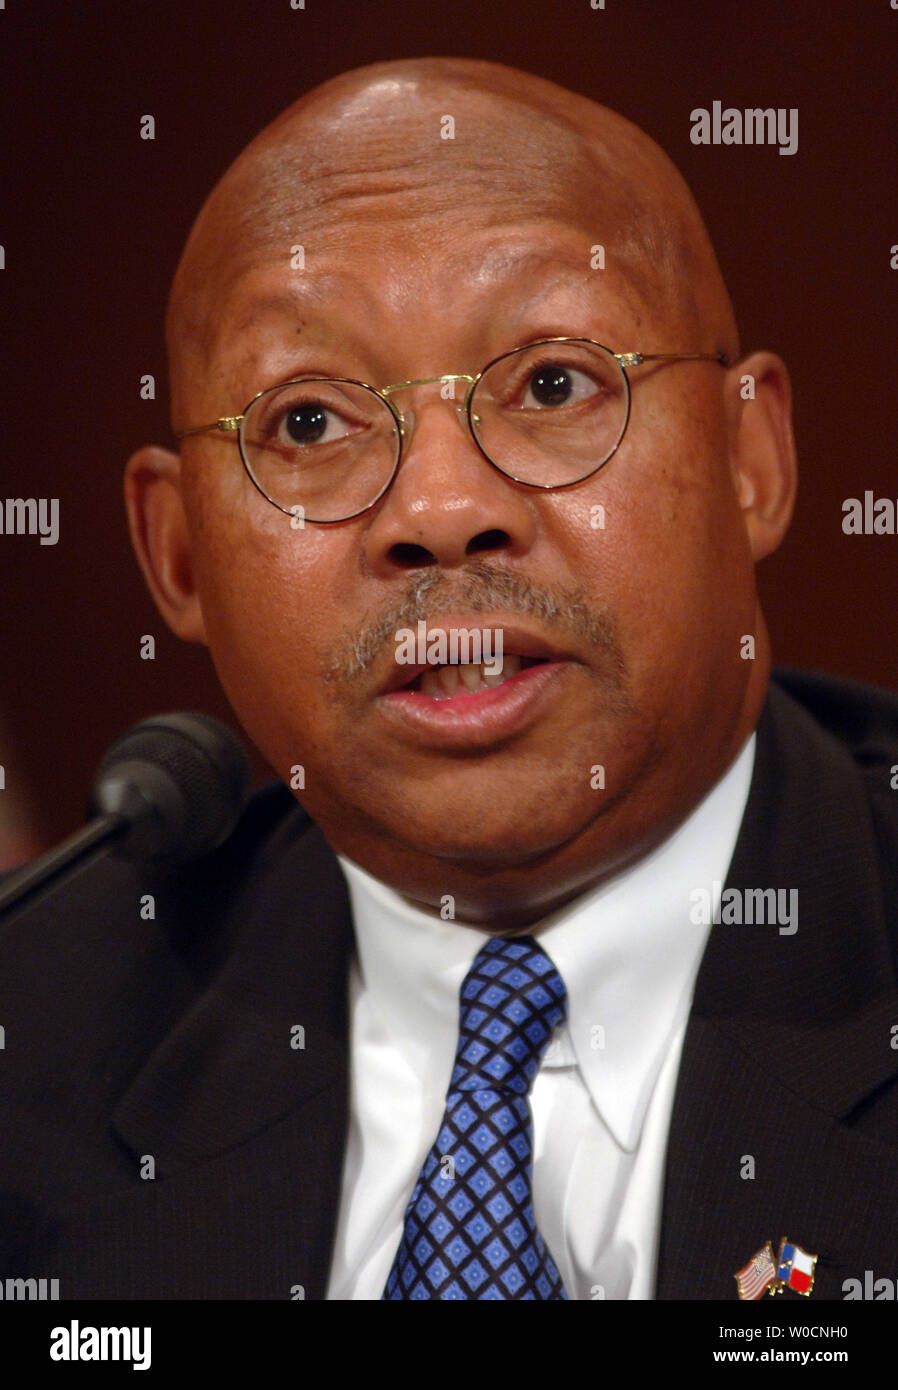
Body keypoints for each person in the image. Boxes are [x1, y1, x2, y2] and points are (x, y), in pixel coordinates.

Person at [1, 56, 896, 1303]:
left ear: (751, 456)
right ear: (178, 553)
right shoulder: (33, 1043)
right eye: (307, 422)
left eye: (552, 383)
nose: (439, 510)